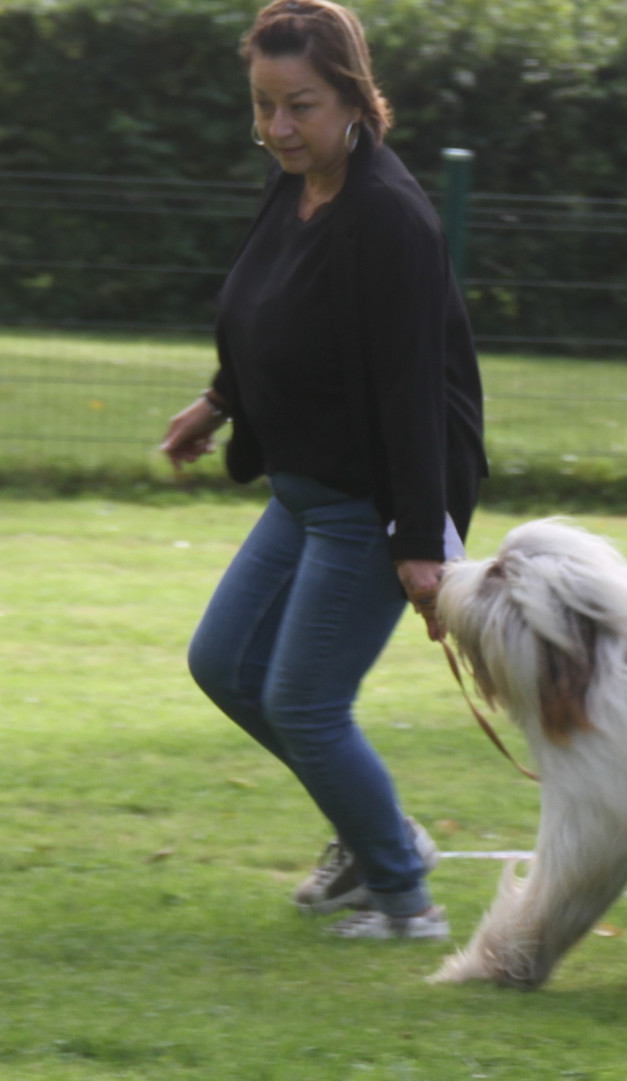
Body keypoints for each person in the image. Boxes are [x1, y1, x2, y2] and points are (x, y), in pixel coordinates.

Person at [160, 0, 486, 940]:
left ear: (352, 96)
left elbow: (411, 391)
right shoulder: (296, 185)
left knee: (303, 701)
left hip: (371, 501)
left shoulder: (389, 219)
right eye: (264, 106)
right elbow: (267, 311)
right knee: (225, 665)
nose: (278, 127)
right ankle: (375, 834)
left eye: (299, 105)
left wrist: (419, 542)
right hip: (303, 491)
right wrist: (219, 401)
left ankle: (405, 902)